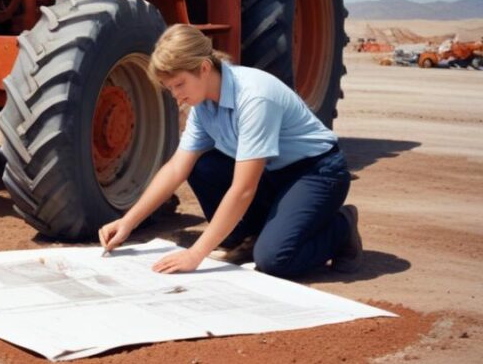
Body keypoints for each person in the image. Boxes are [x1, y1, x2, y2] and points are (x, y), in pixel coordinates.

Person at [98, 24, 362, 276]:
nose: (177, 96)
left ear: (203, 68)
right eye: (170, 89)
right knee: (203, 166)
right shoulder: (203, 106)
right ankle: (249, 234)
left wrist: (196, 254)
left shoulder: (254, 97)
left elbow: (244, 189)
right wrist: (128, 222)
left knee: (274, 259)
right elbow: (177, 167)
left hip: (314, 173)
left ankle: (342, 226)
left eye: (179, 85)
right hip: (272, 175)